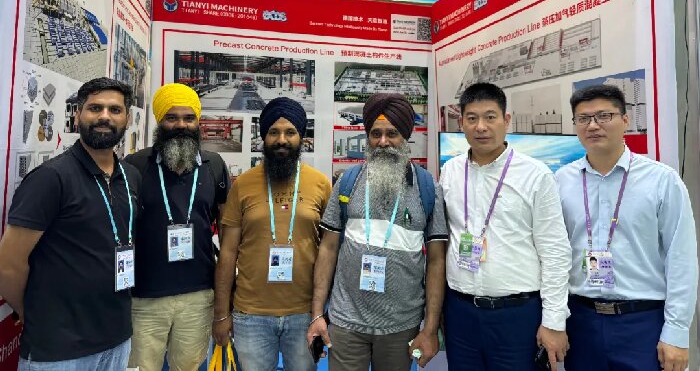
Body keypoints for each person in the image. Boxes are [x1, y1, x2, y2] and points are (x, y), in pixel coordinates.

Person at [0, 77, 139, 370]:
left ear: (127, 119)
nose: (104, 116)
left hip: (117, 339)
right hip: (60, 349)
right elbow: (8, 264)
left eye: (115, 110)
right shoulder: (50, 178)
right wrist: (32, 312)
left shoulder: (130, 177)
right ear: (78, 116)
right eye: (95, 108)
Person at [556, 84, 698, 371]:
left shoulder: (662, 180)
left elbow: (681, 258)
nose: (593, 125)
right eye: (583, 118)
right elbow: (554, 254)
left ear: (625, 120)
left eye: (603, 116)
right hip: (580, 321)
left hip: (642, 322)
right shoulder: (561, 181)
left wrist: (677, 332)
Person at [307, 93, 448, 371]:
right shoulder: (347, 182)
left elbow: (436, 261)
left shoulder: (428, 188)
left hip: (401, 325)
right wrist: (316, 314)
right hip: (346, 323)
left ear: (406, 136)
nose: (383, 142)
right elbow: (328, 248)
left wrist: (430, 329)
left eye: (392, 133)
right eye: (375, 134)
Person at [440, 82, 571, 371]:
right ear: (461, 123)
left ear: (506, 120)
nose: (481, 127)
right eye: (472, 118)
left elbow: (555, 252)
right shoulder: (450, 171)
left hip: (517, 315)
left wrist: (554, 321)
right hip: (460, 313)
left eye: (490, 117)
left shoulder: (536, 175)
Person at [212, 97, 331, 371]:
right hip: (251, 315)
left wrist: (322, 312)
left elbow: (330, 250)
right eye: (274, 132)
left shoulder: (321, 184)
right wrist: (221, 314)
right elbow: (227, 252)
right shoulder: (243, 184)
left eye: (290, 132)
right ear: (263, 137)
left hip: (304, 314)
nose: (282, 140)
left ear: (301, 137)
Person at [123, 83, 230, 371]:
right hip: (144, 296)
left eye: (188, 118)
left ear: (198, 121)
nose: (181, 125)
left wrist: (224, 299)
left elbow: (227, 230)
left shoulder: (214, 165)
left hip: (198, 296)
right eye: (172, 118)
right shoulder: (135, 166)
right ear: (160, 121)